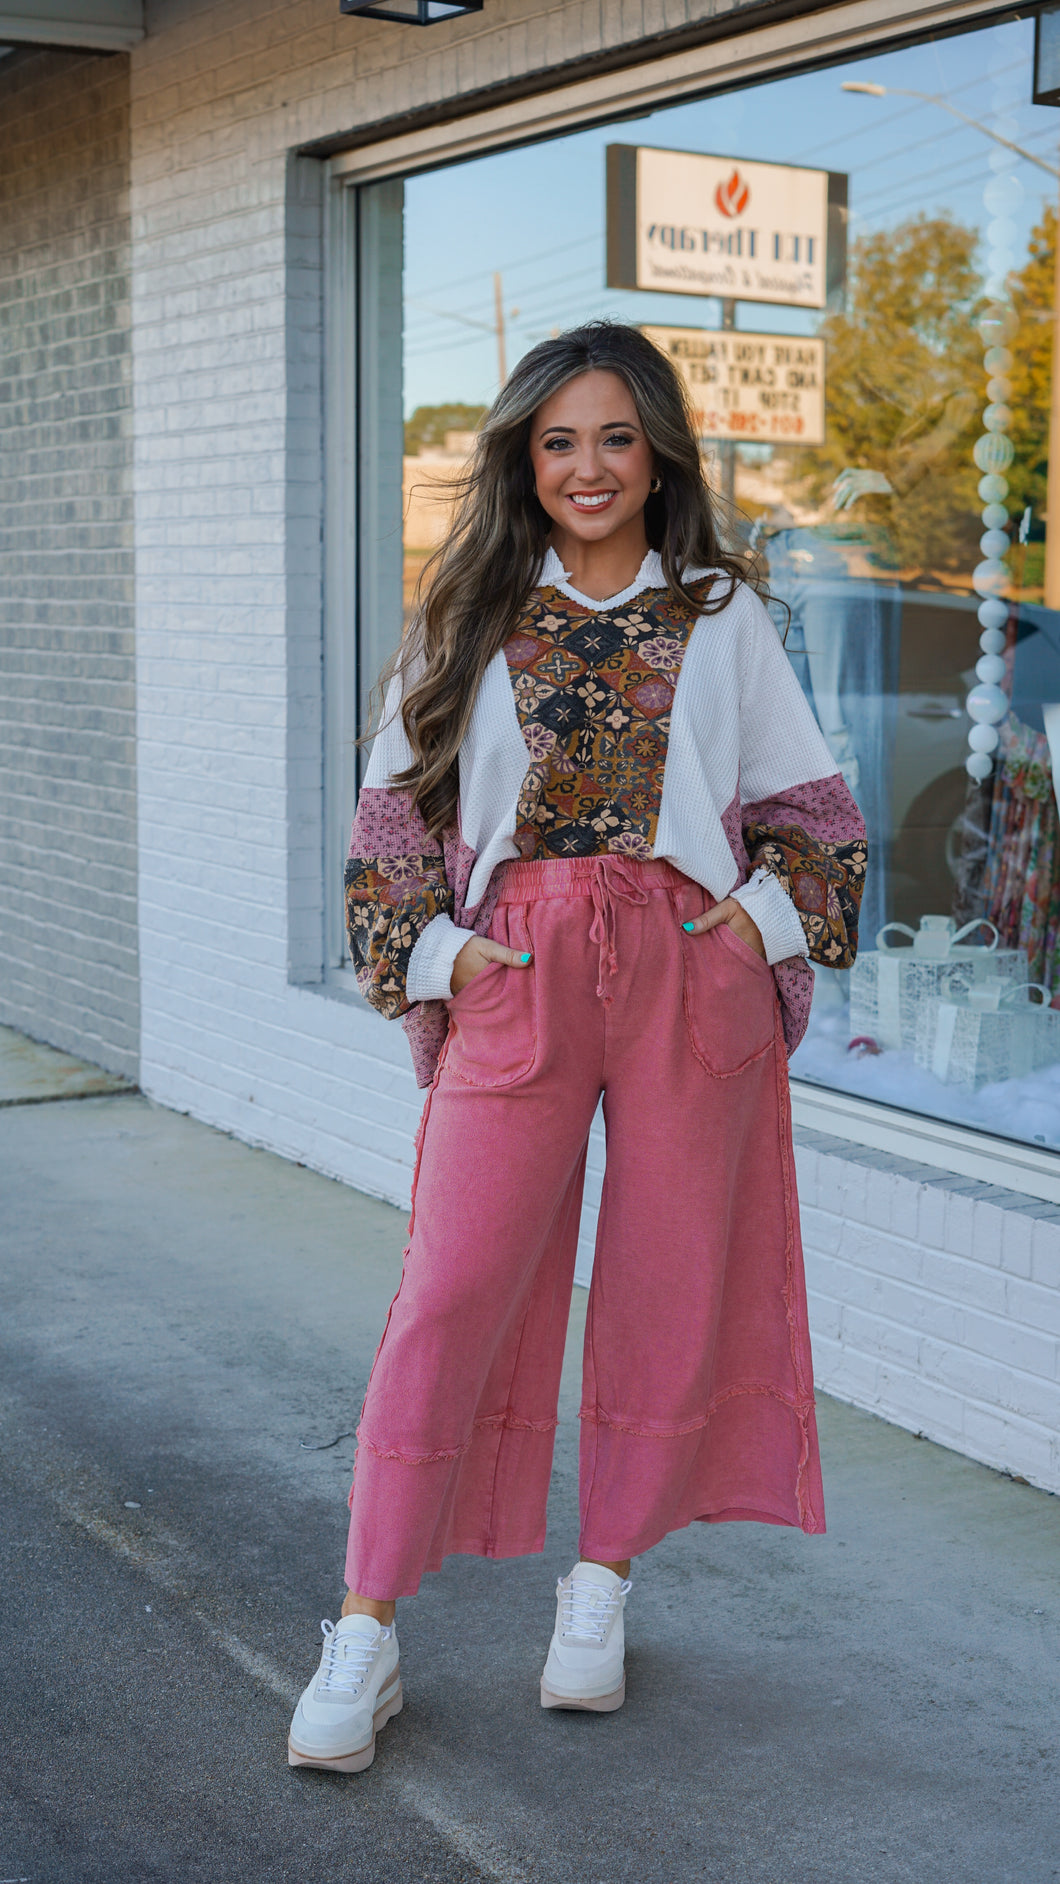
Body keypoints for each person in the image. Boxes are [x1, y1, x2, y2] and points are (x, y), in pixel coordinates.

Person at [287, 322, 867, 1774]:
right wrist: (441, 955)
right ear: (521, 459)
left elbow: (820, 819)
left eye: (615, 437)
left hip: (685, 974)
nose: (588, 467)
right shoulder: (467, 609)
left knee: (669, 1280)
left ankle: (603, 1579)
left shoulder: (727, 615)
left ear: (659, 450)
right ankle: (365, 1620)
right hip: (519, 973)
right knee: (450, 1288)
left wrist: (746, 935)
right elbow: (390, 824)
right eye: (558, 441)